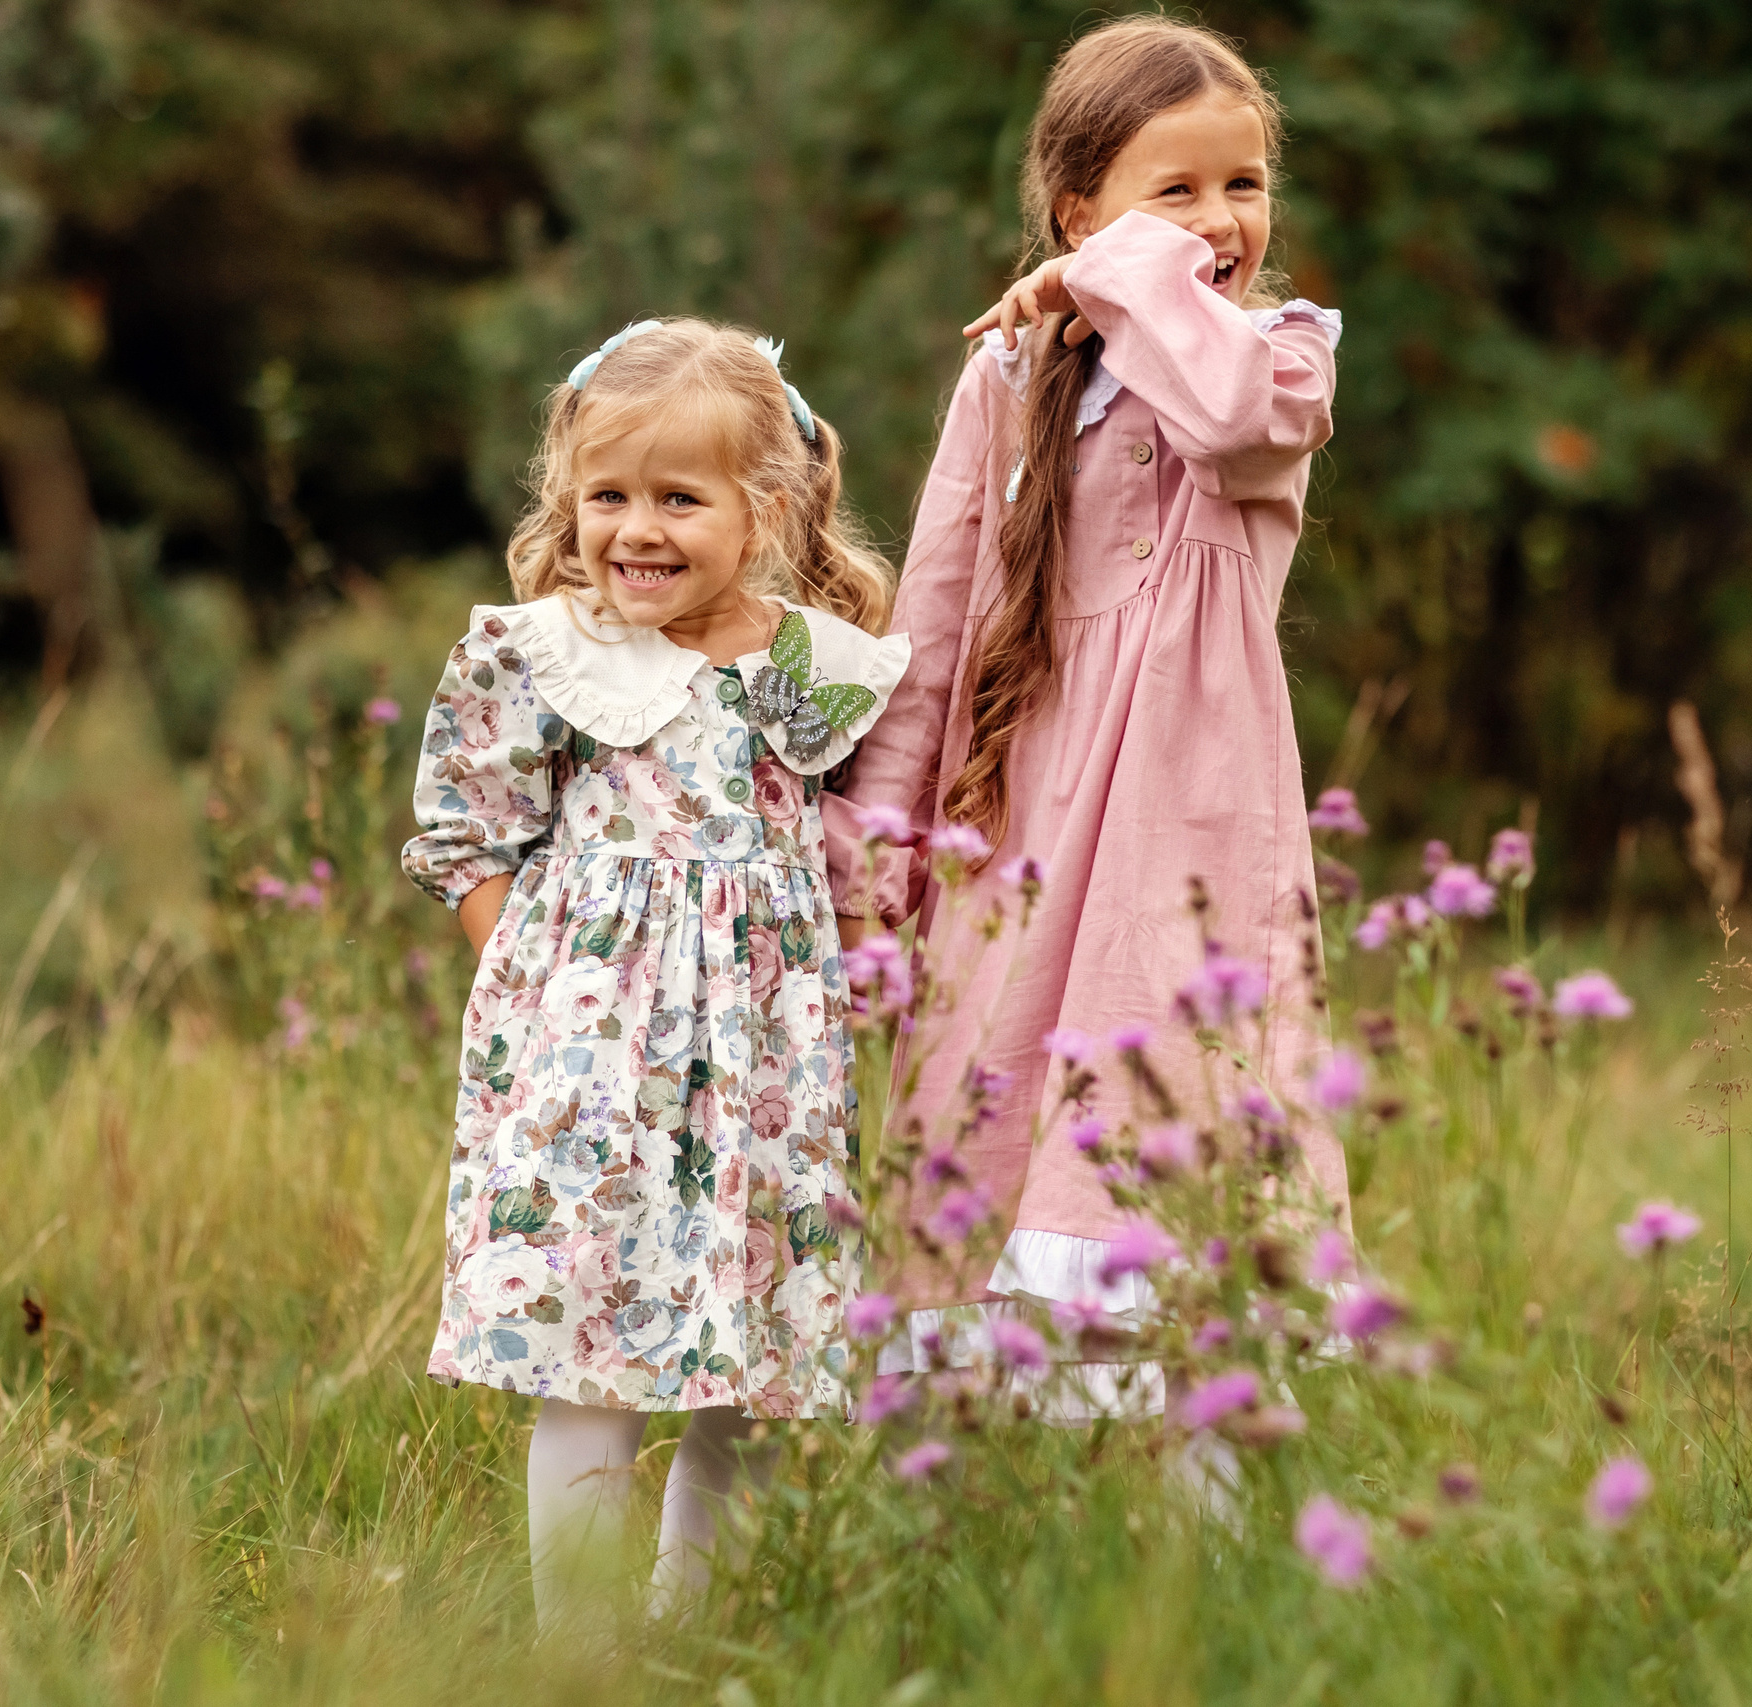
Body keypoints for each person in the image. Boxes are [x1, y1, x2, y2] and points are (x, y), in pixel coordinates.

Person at [825, 16, 1346, 1419]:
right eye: (1174, 190)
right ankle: (1014, 1512)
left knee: (1174, 1120)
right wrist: (877, 863)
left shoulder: (1282, 360)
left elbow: (1224, 418)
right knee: (989, 1131)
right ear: (1076, 207)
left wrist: (1115, 272)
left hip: (1187, 829)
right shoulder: (1005, 381)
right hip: (1015, 823)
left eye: (1243, 185)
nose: (1221, 220)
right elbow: (932, 636)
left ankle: (1205, 1508)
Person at [399, 318, 905, 1629]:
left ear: (764, 507)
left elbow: (876, 831)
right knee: (592, 1357)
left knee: (758, 1367)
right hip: (593, 1072)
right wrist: (541, 989)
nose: (637, 529)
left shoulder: (809, 667)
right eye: (609, 496)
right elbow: (462, 834)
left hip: (767, 1078)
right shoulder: (550, 653)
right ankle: (581, 1656)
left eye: (680, 498)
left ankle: (694, 1637)